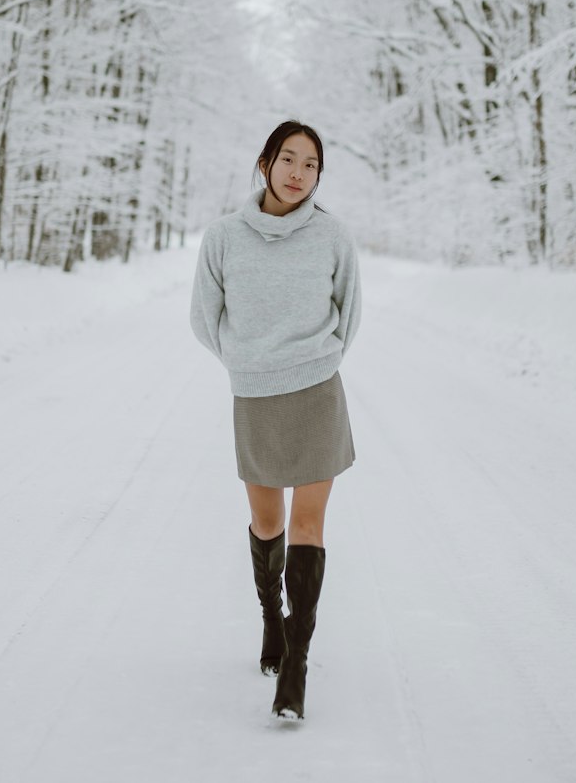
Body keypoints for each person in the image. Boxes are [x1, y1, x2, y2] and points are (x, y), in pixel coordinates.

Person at [190, 120, 362, 721]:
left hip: (317, 391)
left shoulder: (333, 237)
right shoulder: (224, 237)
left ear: (318, 175)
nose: (297, 172)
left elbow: (351, 312)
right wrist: (246, 364)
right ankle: (272, 618)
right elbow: (203, 317)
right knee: (267, 520)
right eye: (287, 159)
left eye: (310, 164)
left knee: (309, 523)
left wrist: (319, 359)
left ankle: (297, 662)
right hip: (256, 395)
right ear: (265, 162)